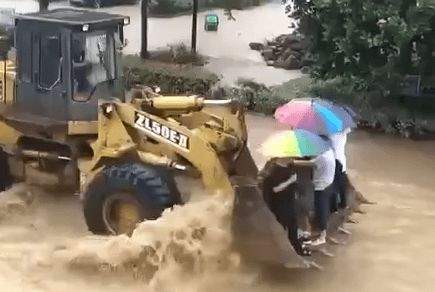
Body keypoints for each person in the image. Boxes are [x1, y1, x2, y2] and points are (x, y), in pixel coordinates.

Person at [259, 158, 311, 256]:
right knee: (283, 230)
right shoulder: (273, 172)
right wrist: (290, 181)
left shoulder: (289, 170)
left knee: (293, 229)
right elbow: (275, 189)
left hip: (289, 205)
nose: (291, 159)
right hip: (280, 206)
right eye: (289, 157)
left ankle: (297, 250)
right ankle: (283, 252)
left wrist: (295, 188)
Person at [310, 146, 336, 246]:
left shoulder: (321, 158)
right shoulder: (330, 152)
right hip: (329, 184)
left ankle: (322, 237)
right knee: (325, 210)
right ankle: (323, 233)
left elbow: (312, 164)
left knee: (321, 211)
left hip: (320, 187)